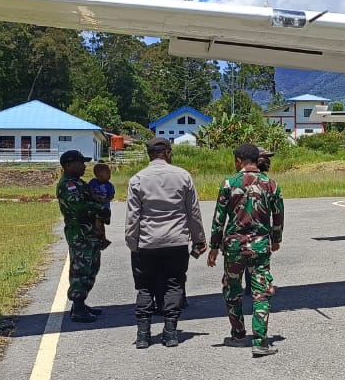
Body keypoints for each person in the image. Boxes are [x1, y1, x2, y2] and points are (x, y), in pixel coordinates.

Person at [124, 137, 207, 349]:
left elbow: (133, 216)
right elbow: (193, 212)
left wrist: (133, 243)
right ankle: (170, 332)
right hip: (176, 241)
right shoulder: (183, 176)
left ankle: (143, 335)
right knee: (174, 284)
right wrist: (199, 239)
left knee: (144, 287)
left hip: (147, 242)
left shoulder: (137, 179)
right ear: (168, 152)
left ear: (149, 154)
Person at [208, 143, 285, 357]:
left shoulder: (229, 183)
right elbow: (278, 215)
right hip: (260, 247)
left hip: (234, 247)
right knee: (261, 293)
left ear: (240, 160)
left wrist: (214, 246)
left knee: (232, 291)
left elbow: (219, 218)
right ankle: (260, 341)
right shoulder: (271, 185)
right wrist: (276, 239)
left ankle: (238, 335)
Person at [56, 149, 106, 323]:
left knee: (91, 267)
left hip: (88, 232)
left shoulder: (78, 183)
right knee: (81, 269)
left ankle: (81, 304)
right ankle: (77, 307)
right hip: (80, 233)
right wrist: (100, 208)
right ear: (69, 165)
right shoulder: (68, 185)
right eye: (80, 163)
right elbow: (79, 207)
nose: (84, 166)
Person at [88, 163, 115, 249]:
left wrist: (106, 199)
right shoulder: (93, 182)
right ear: (99, 174)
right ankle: (101, 239)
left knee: (102, 224)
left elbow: (111, 195)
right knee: (97, 222)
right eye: (108, 173)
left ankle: (102, 237)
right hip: (96, 208)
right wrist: (95, 197)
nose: (109, 176)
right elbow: (90, 191)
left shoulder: (109, 185)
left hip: (105, 208)